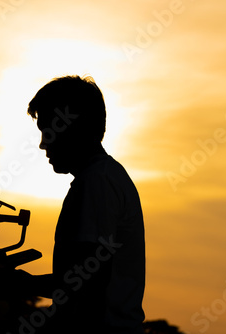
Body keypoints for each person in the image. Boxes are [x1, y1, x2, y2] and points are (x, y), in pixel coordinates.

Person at [12, 75, 146, 334]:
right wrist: (27, 284)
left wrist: (27, 289)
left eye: (47, 129)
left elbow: (88, 281)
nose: (42, 143)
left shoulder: (96, 183)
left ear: (71, 127)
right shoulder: (104, 177)